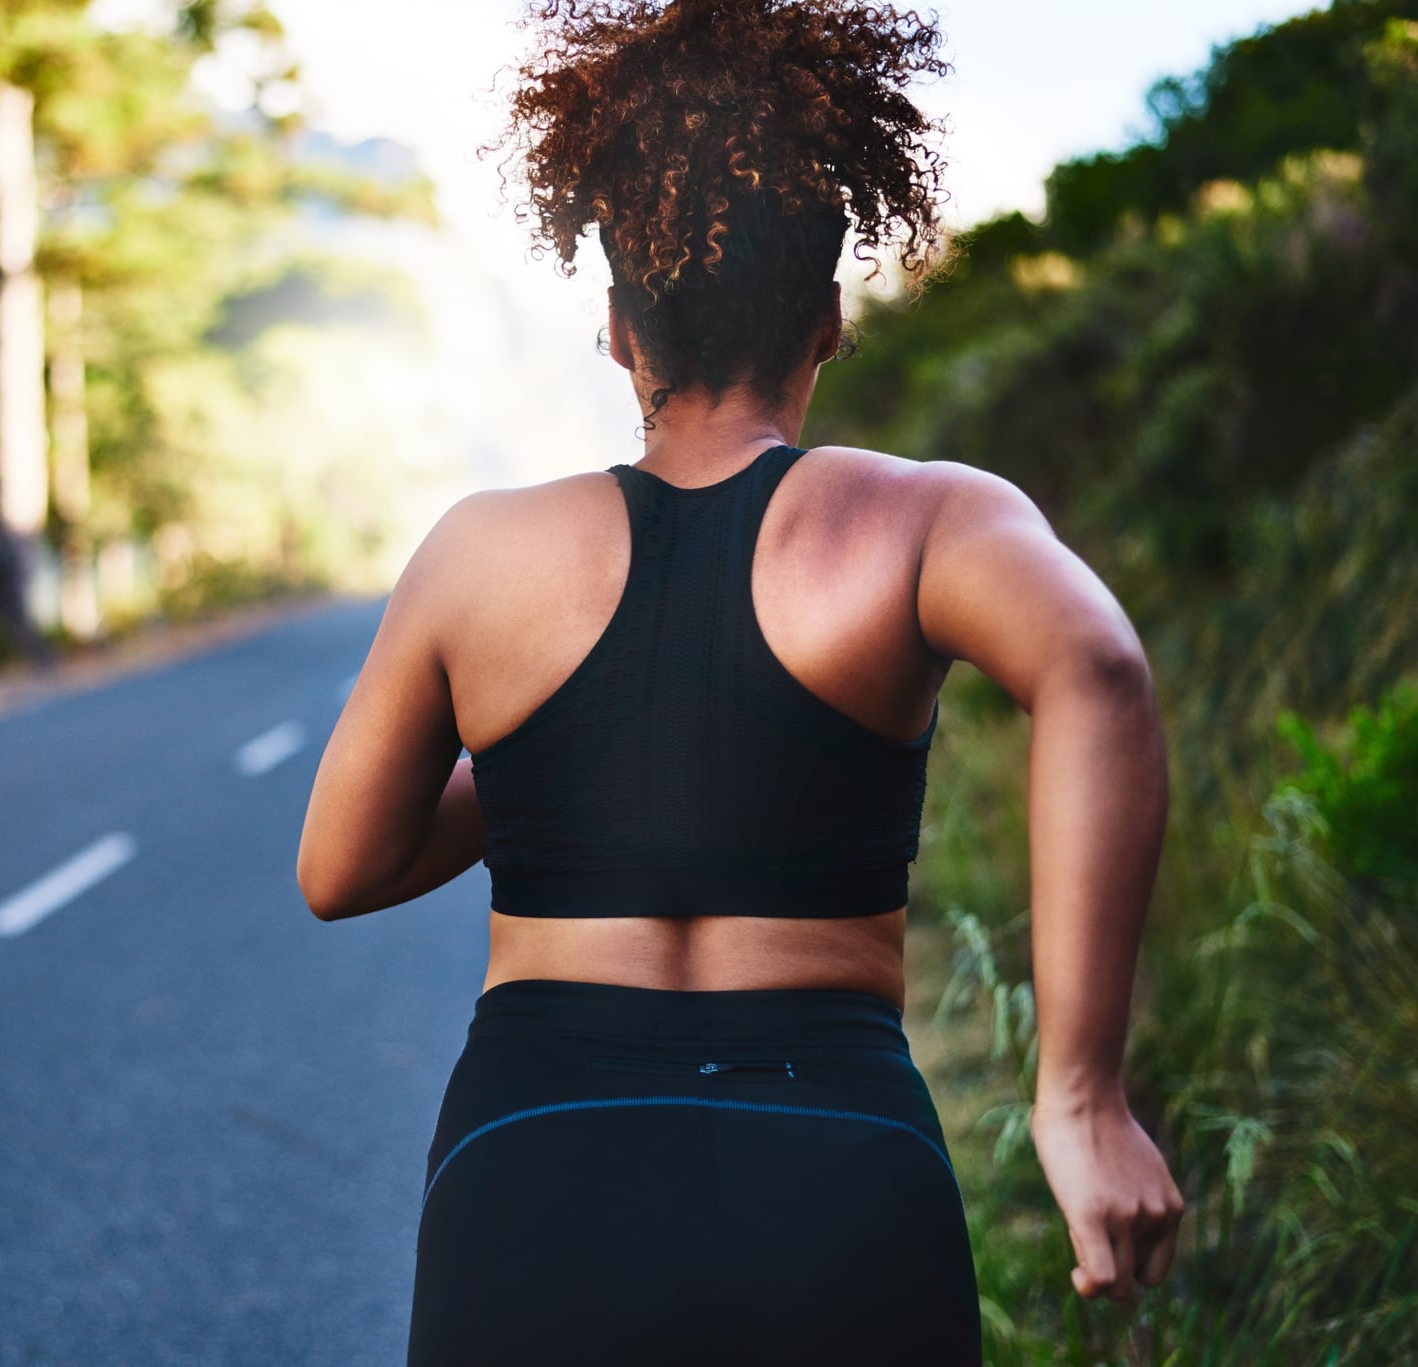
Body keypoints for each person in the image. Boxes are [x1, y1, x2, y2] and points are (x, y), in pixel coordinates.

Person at [296, 1, 1186, 1361]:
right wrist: (1082, 1097)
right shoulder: (925, 522)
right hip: (831, 1161)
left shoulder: (482, 553)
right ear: (830, 320)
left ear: (614, 330)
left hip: (535, 1164)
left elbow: (340, 867)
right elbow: (1098, 670)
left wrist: (562, 759)